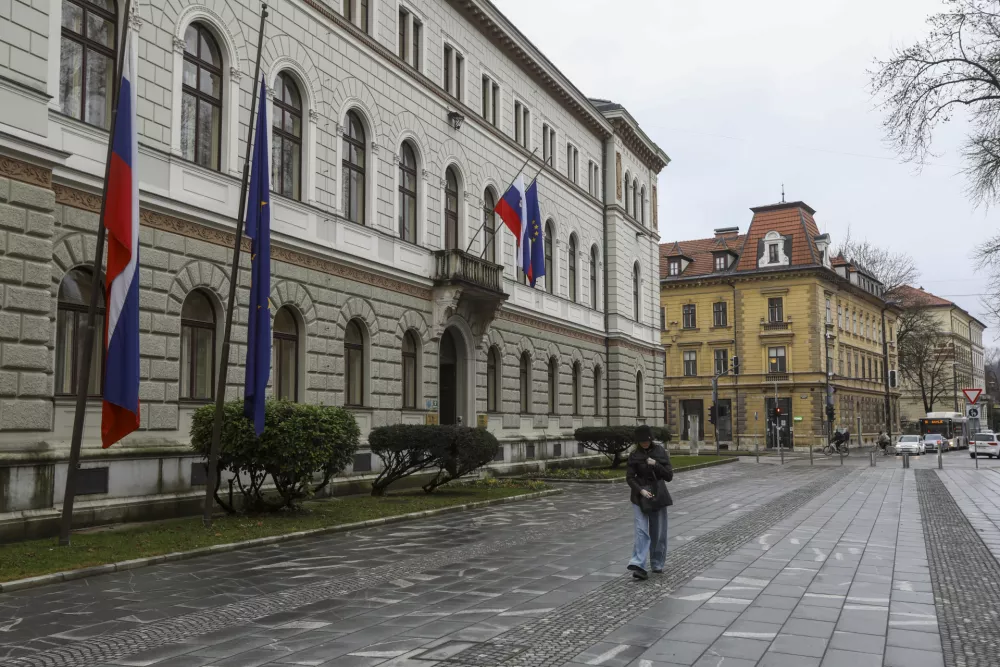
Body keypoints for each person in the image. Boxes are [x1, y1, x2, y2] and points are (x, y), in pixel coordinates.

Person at [625, 424, 673, 580]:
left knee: (658, 532)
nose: (644, 443)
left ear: (651, 439)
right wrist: (641, 490)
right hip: (639, 497)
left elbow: (669, 475)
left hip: (657, 495)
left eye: (647, 440)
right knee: (641, 530)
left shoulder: (660, 452)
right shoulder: (634, 456)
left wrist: (656, 464)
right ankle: (638, 564)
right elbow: (630, 478)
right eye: (641, 441)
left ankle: (657, 562)